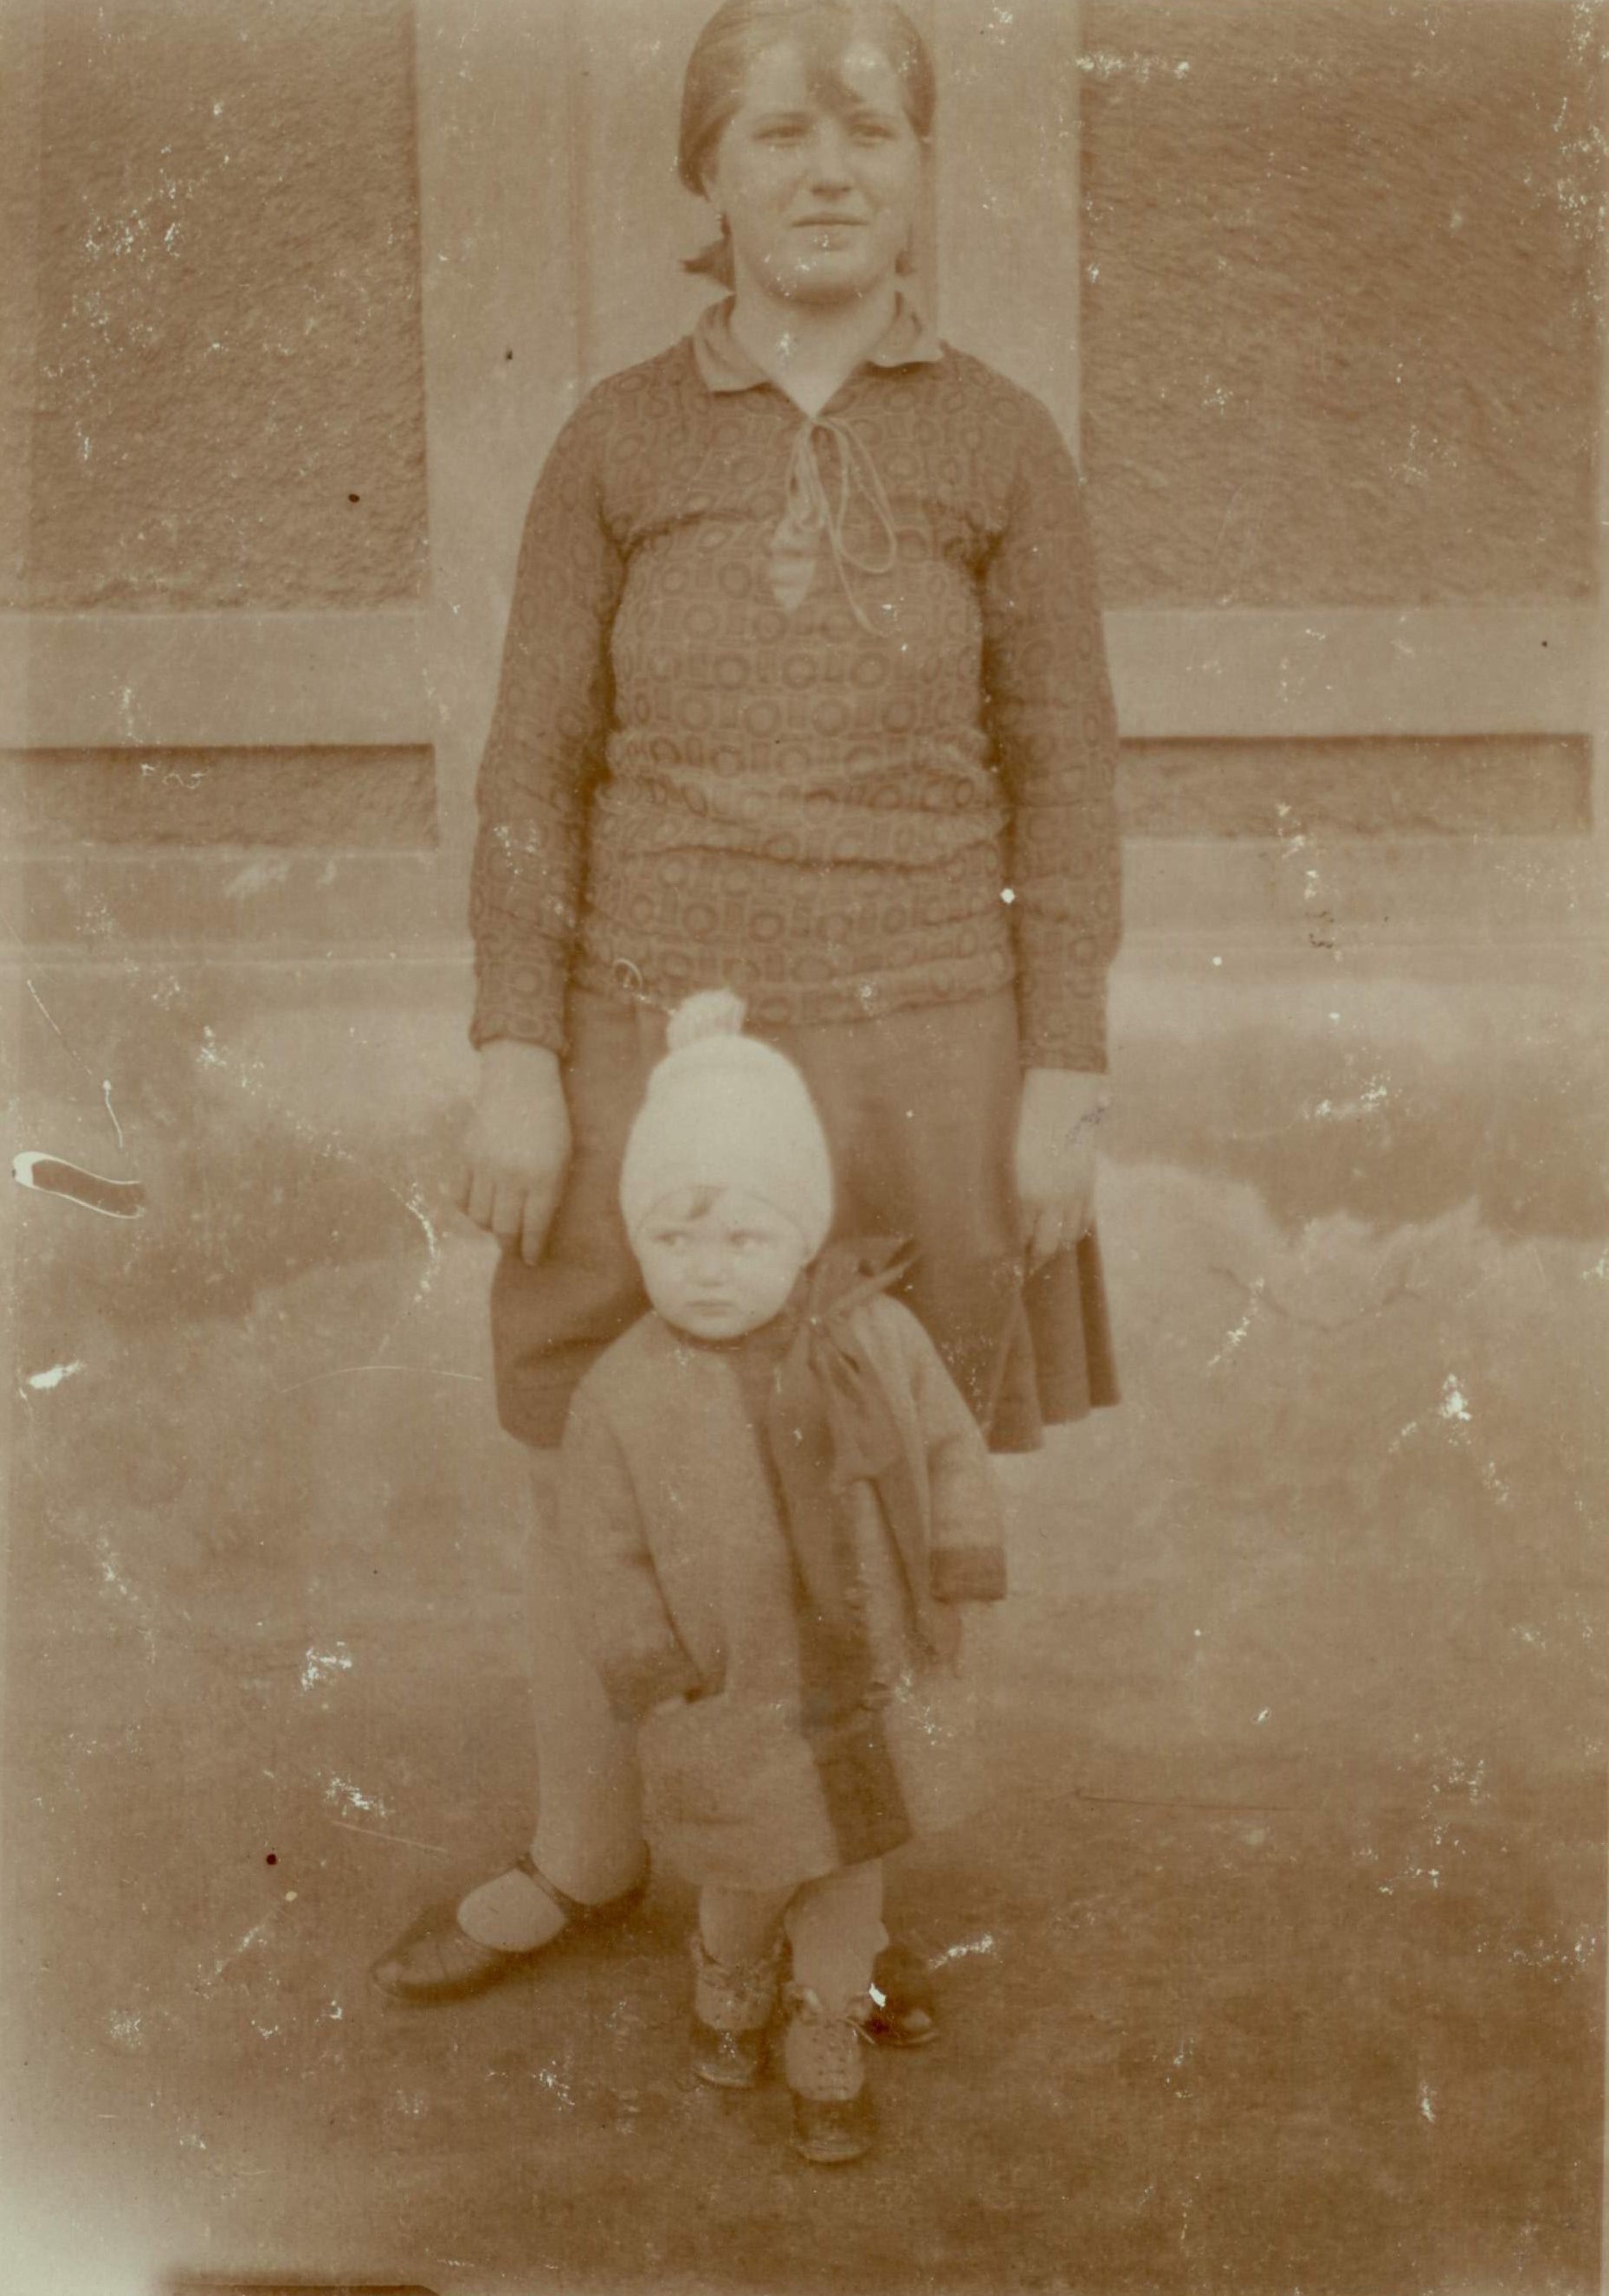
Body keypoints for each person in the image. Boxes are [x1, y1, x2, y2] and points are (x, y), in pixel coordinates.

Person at [371, 0, 1120, 2023]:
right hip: (644, 1031)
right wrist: (517, 1056)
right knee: (595, 1442)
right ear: (704, 172)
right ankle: (584, 1847)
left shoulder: (997, 442)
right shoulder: (618, 439)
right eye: (778, 132)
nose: (827, 171)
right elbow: (532, 772)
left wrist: (1062, 1071)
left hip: (921, 1032)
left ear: (919, 169)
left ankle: (827, 1905)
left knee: (866, 1470)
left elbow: (1064, 778)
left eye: (869, 130)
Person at [554, 990, 1005, 2162]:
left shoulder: (875, 1339)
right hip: (732, 1690)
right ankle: (730, 1977)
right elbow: (602, 1552)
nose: (707, 1271)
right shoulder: (622, 1393)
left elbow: (949, 1448)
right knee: (748, 1869)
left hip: (873, 1671)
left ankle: (827, 2029)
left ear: (802, 1233)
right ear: (640, 1242)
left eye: (743, 1240)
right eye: (675, 1241)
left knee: (851, 1864)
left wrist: (956, 1570)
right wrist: (655, 1675)